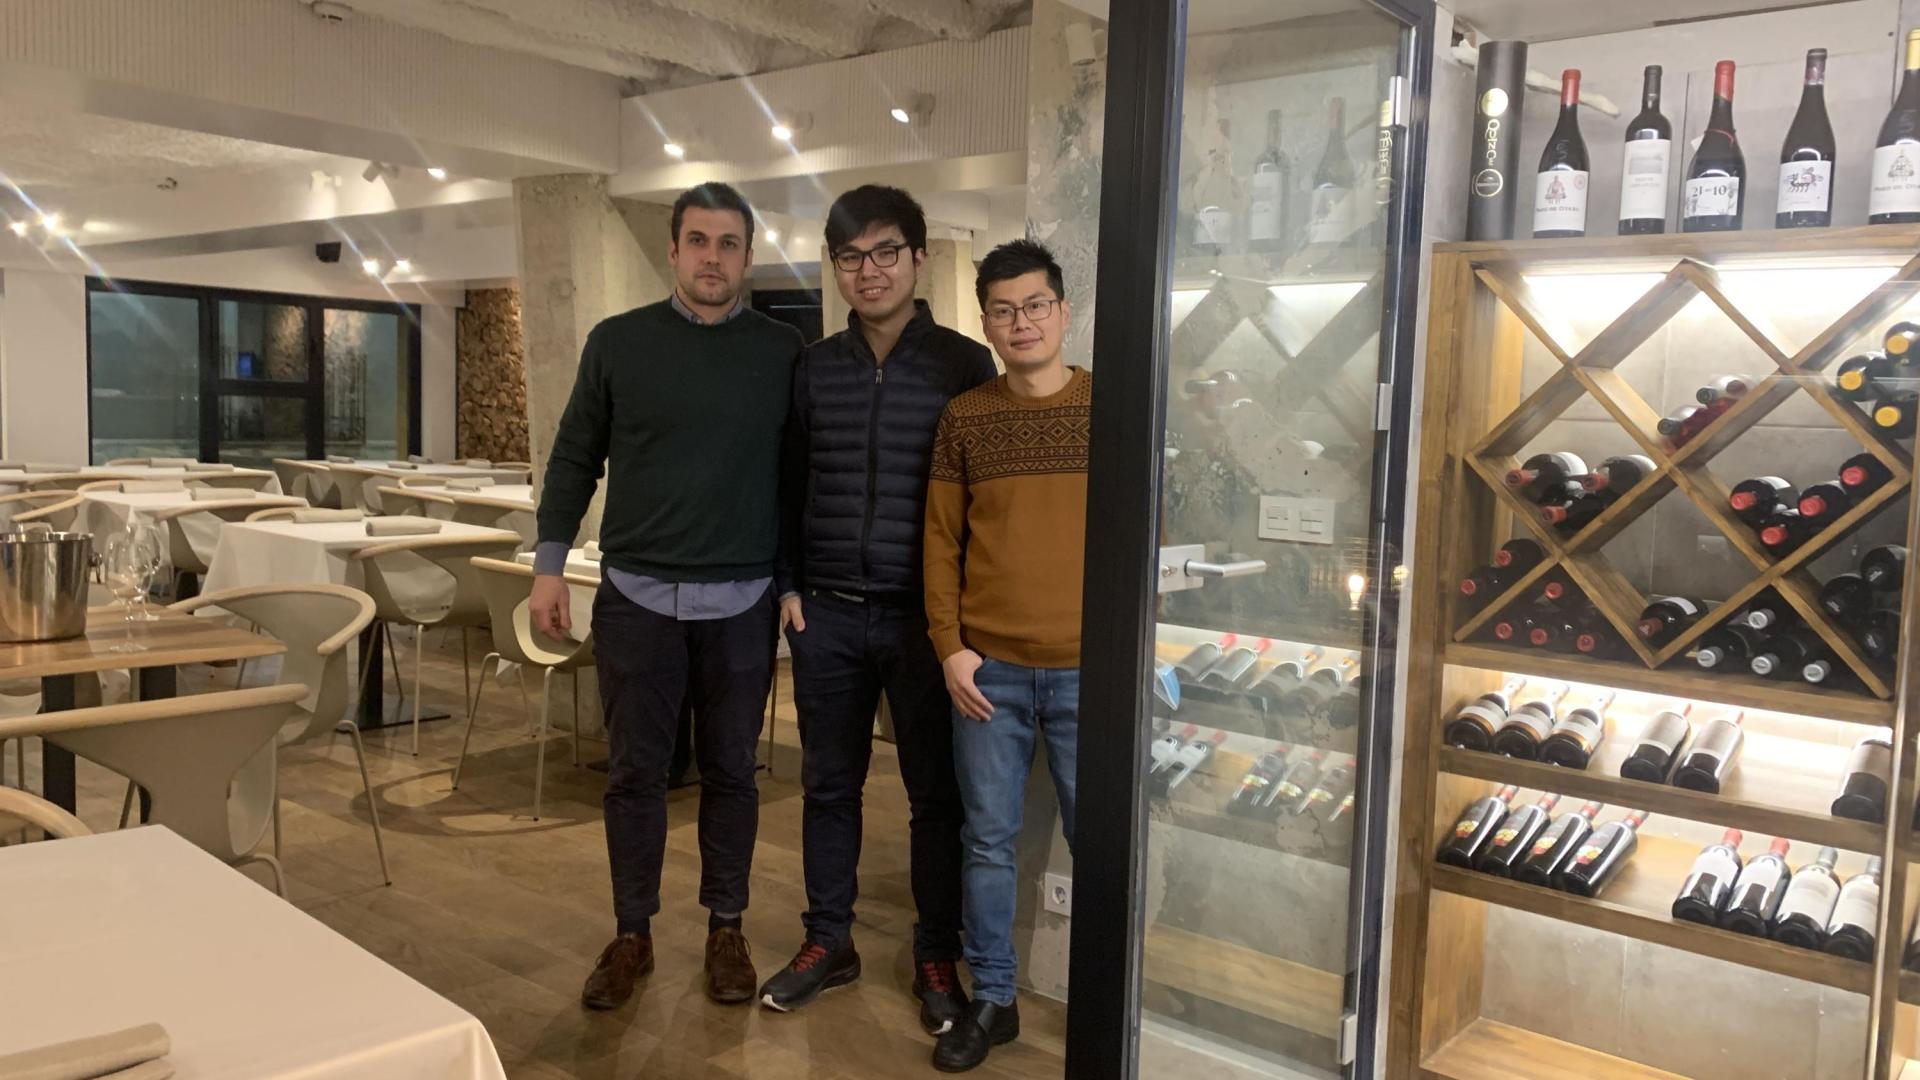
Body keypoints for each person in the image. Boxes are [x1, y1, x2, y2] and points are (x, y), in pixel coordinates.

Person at [528, 181, 803, 1011]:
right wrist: (549, 564)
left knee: (732, 773)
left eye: (728, 243)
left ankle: (727, 926)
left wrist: (792, 582)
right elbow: (576, 453)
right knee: (635, 774)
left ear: (747, 258)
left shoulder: (783, 351)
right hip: (636, 597)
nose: (712, 257)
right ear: (675, 250)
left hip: (742, 602)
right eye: (697, 241)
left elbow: (797, 479)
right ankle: (631, 932)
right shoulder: (618, 343)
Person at [756, 186, 996, 1035]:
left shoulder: (964, 364)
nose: (869, 270)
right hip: (825, 614)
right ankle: (830, 941)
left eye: (886, 251)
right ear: (836, 266)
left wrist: (964, 620)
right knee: (829, 787)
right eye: (851, 256)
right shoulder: (813, 366)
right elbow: (788, 482)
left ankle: (937, 951)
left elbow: (981, 502)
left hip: (925, 624)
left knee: (937, 796)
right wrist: (788, 585)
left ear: (920, 258)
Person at [922, 239, 1090, 1073]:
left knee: (1105, 841)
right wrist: (951, 649)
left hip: (1092, 672)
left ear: (1062, 311)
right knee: (987, 842)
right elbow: (941, 541)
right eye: (1002, 309)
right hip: (987, 673)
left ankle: (1105, 997)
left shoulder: (1111, 408)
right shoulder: (968, 417)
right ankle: (993, 995)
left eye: (1035, 305)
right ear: (984, 319)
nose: (1020, 322)